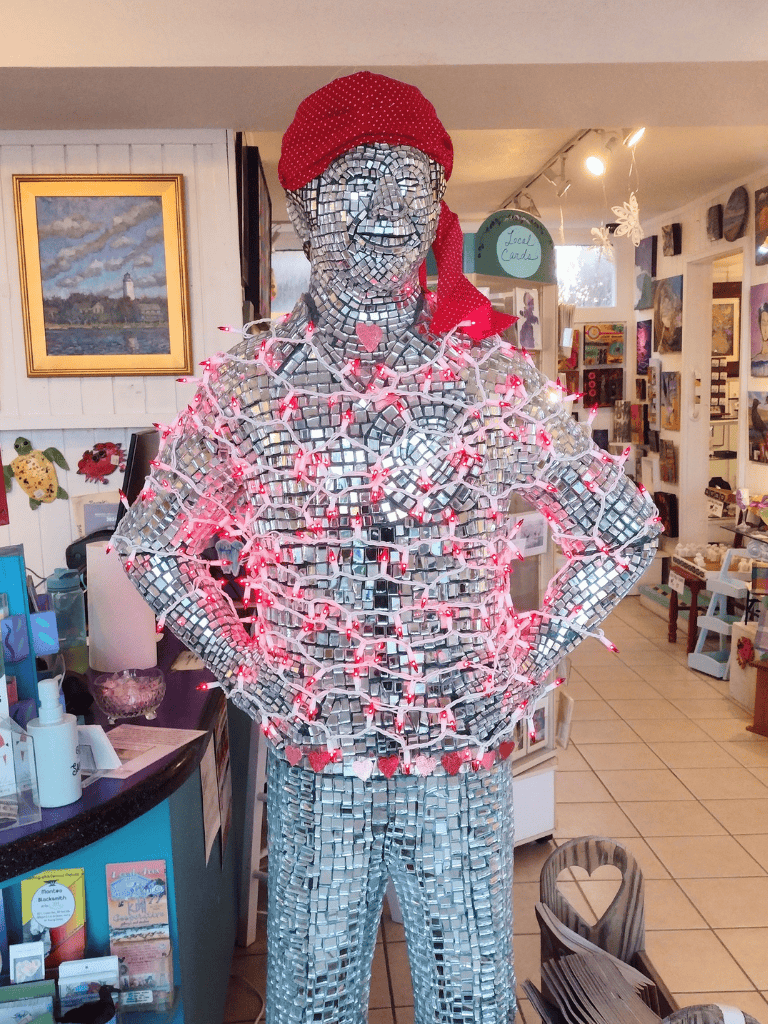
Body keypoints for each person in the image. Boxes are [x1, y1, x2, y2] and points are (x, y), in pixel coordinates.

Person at [113, 72, 660, 1024]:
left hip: (460, 768)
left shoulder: (488, 376)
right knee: (311, 1002)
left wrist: (521, 664)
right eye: (359, 182)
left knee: (470, 1002)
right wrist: (257, 679)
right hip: (318, 768)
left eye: (414, 185)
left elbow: (624, 528)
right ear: (304, 203)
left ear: (438, 205)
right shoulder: (250, 384)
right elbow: (153, 543)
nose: (390, 209)